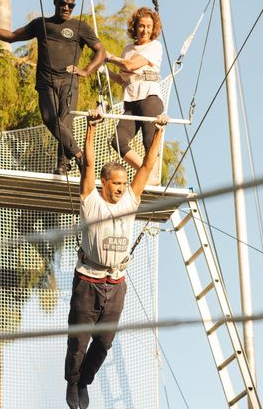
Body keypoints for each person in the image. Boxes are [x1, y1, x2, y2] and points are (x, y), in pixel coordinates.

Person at [64, 108, 168, 409]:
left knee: (105, 342)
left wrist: (158, 130)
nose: (122, 188)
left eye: (124, 183)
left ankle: (85, 380)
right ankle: (72, 380)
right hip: (88, 280)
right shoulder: (91, 200)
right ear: (104, 182)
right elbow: (89, 163)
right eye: (116, 183)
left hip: (116, 283)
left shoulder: (131, 200)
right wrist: (92, 127)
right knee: (79, 341)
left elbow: (147, 166)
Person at [0, 0, 106, 174]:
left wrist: (86, 71)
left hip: (68, 81)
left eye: (70, 5)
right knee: (50, 119)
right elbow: (11, 37)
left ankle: (62, 165)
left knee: (64, 123)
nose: (66, 7)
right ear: (55, 2)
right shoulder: (41, 24)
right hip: (45, 82)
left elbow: (101, 51)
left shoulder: (80, 27)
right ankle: (79, 155)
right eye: (62, 3)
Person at [105, 7, 164, 184]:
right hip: (131, 101)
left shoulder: (154, 46)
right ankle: (145, 172)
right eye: (141, 26)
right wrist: (104, 70)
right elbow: (123, 78)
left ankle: (151, 176)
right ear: (135, 27)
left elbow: (131, 66)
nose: (145, 30)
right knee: (118, 140)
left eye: (148, 26)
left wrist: (109, 57)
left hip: (149, 97)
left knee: (149, 140)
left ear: (153, 28)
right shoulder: (128, 49)